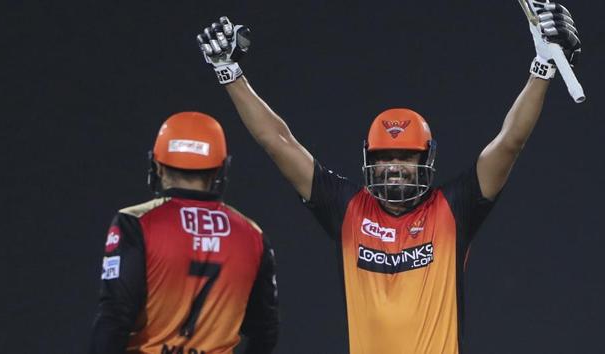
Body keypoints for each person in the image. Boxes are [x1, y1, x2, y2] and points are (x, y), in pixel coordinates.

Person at [195, 3, 581, 354]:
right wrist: (230, 73)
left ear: (425, 160)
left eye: (406, 157)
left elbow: (509, 142)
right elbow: (277, 142)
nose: (394, 166)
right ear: (369, 161)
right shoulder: (346, 208)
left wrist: (541, 69)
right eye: (385, 157)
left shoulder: (454, 207)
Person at [90, 112, 279, 354]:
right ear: (220, 169)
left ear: (157, 166)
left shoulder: (135, 222)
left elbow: (115, 316)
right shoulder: (252, 235)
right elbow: (265, 330)